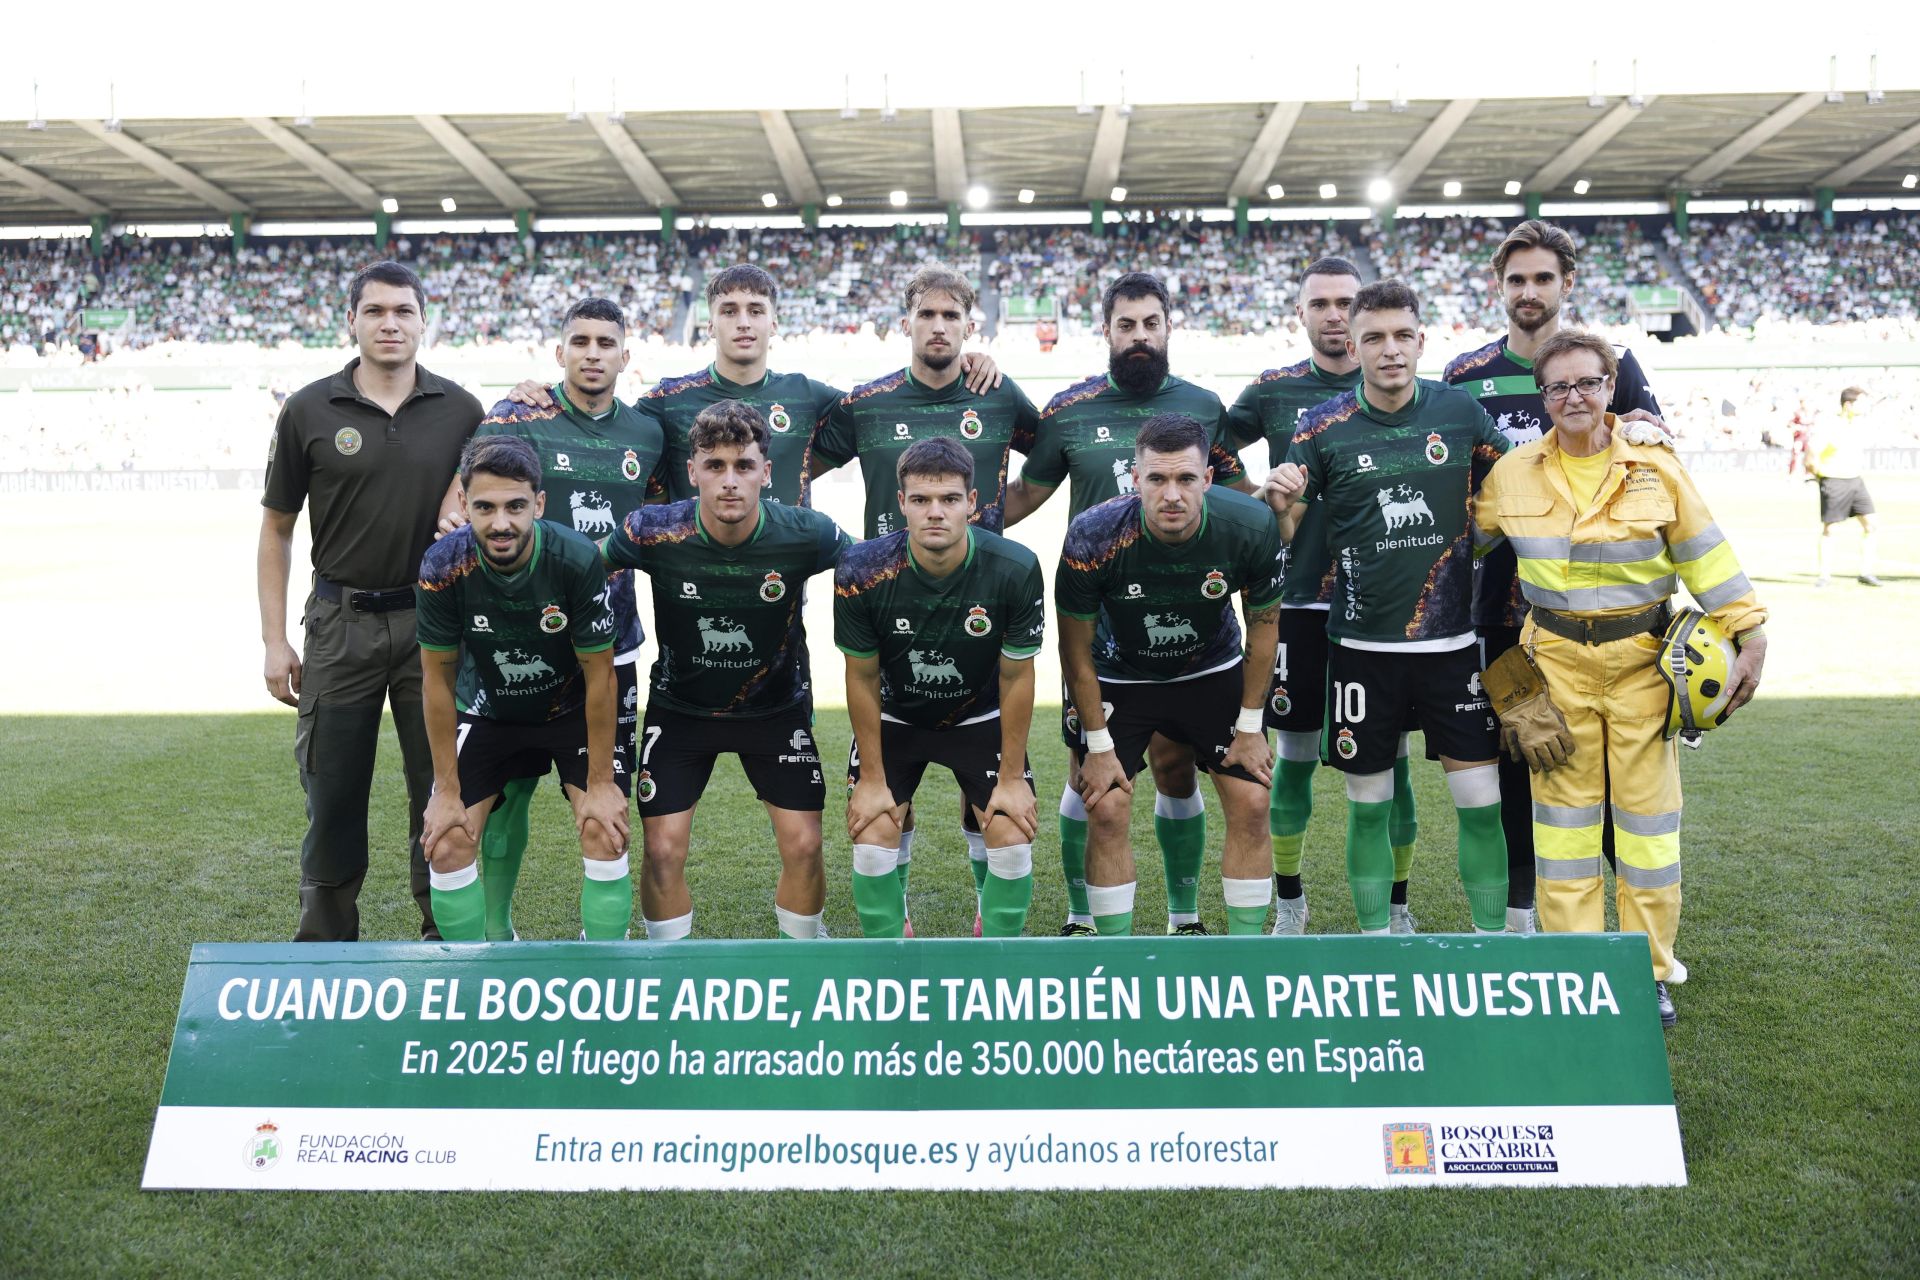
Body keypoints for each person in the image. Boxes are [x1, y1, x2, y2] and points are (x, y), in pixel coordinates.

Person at [1473, 329, 1768, 1027]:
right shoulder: (1512, 473)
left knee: (1647, 832)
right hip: (1556, 667)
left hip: (1644, 665)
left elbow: (1705, 553)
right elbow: (1461, 545)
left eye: (1587, 383)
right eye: (1558, 386)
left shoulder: (1655, 465)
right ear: (1542, 396)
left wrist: (1750, 633)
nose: (1573, 396)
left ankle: (1648, 972)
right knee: (1565, 830)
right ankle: (1578, 974)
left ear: (1612, 386)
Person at [1005, 271, 1252, 936]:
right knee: (1090, 780)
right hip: (1102, 638)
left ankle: (1185, 916)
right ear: (1106, 331)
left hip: (1196, 629)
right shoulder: (1070, 410)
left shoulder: (1204, 406)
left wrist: (1293, 497)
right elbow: (1026, 495)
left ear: (1169, 327)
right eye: (1126, 325)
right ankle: (1083, 917)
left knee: (1178, 768)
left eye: (1150, 324)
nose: (1138, 336)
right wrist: (951, 533)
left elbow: (1237, 501)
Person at [1265, 280, 1510, 936]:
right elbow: (1296, 541)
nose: (1390, 350)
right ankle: (1378, 949)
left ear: (1421, 341)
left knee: (1480, 804)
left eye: (1402, 336)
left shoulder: (1459, 413)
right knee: (1367, 803)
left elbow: (1518, 484)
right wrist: (1282, 509)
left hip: (1452, 647)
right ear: (1357, 344)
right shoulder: (1321, 426)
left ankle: (1497, 947)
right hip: (1361, 651)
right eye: (1374, 338)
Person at [805, 263, 1043, 930]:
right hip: (890, 600)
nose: (939, 327)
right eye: (926, 315)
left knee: (1002, 814)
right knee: (878, 814)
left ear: (971, 325)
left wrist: (991, 526)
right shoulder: (866, 402)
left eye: (951, 316)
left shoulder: (997, 393)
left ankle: (990, 942)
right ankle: (891, 946)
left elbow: (1051, 457)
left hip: (978, 599)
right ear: (905, 323)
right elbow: (799, 461)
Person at [1444, 219, 1664, 934]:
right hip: (1500, 614)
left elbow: (1655, 463)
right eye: (1517, 280)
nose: (1529, 292)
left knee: (1613, 779)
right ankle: (1520, 920)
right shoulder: (1465, 375)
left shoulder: (1611, 365)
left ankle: (1633, 935)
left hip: (1600, 616)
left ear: (1569, 284)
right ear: (1499, 288)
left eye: (1544, 278)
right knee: (1517, 758)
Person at [258, 260, 482, 941]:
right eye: (375, 311)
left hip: (435, 625)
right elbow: (276, 529)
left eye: (403, 311)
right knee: (332, 797)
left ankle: (447, 941)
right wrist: (274, 640)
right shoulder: (308, 409)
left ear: (423, 321)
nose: (390, 323)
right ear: (351, 321)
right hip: (340, 626)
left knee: (444, 790)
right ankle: (324, 950)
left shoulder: (462, 409)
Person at [434, 297, 663, 941]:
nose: (593, 354)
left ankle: (606, 961)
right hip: (510, 638)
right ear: (558, 351)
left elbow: (668, 518)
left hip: (606, 646)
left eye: (606, 343)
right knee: (505, 802)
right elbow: (459, 511)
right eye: (580, 341)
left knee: (603, 807)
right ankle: (496, 933)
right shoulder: (519, 415)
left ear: (626, 355)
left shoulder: (648, 433)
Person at [600, 401, 850, 941]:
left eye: (743, 466)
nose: (729, 481)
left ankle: (803, 954)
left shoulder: (808, 533)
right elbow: (577, 565)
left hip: (775, 710)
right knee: (663, 849)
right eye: (715, 466)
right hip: (681, 711)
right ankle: (667, 970)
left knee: (806, 845)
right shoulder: (652, 530)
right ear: (692, 473)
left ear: (767, 471)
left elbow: (878, 569)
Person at [1225, 256, 1421, 936]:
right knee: (1296, 761)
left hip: (1385, 612)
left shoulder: (1411, 392)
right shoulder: (1276, 391)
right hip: (1300, 602)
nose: (1335, 315)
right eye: (1322, 304)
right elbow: (1214, 450)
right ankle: (1288, 902)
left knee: (1392, 764)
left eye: (1347, 304)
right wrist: (1258, 505)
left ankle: (1396, 908)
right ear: (1301, 314)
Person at [1056, 414, 1283, 937]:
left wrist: (1250, 730)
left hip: (1211, 670)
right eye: (1157, 479)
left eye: (1185, 479)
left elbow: (1265, 628)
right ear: (1135, 481)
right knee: (1106, 805)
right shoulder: (1093, 535)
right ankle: (1114, 965)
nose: (1172, 495)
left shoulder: (1248, 525)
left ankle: (1242, 959)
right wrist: (1097, 743)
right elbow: (1076, 650)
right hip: (1119, 675)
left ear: (1207, 478)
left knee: (1252, 801)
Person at [414, 436, 631, 941]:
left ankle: (602, 979)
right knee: (447, 840)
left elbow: (601, 675)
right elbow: (437, 680)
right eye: (485, 508)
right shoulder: (443, 566)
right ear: (464, 504)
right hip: (488, 710)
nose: (501, 523)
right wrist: (446, 792)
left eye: (515, 506)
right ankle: (474, 980)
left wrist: (600, 784)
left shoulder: (575, 558)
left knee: (605, 831)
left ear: (539, 503)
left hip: (570, 709)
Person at [835, 438, 1045, 937]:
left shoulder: (1015, 567)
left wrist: (1013, 778)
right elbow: (861, 676)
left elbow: (1017, 675)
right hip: (895, 718)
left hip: (980, 716)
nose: (936, 512)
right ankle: (890, 952)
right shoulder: (862, 569)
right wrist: (871, 778)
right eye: (922, 500)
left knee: (1013, 840)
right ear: (901, 502)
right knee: (872, 835)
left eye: (950, 499)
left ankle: (995, 961)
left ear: (972, 504)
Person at [1803, 386, 1881, 587]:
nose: (1865, 407)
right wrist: (1820, 475)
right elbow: (1810, 454)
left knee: (1871, 525)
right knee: (1831, 529)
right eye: (1861, 402)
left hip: (1855, 480)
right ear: (1848, 404)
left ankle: (1865, 572)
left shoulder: (1856, 424)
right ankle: (1824, 576)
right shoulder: (1831, 426)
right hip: (1834, 481)